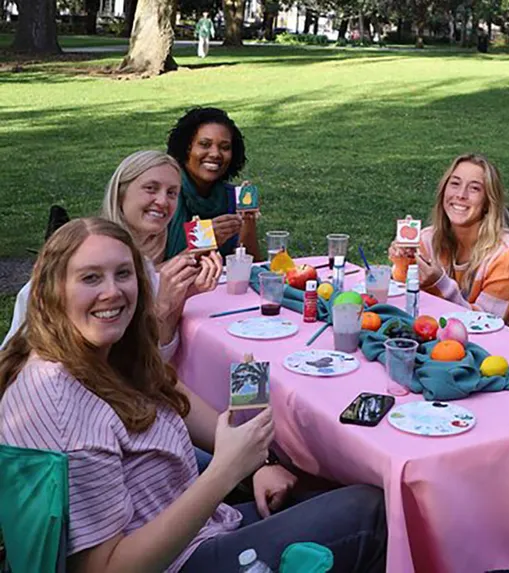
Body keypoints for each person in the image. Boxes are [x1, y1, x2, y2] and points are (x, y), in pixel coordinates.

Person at [0, 218, 387, 572]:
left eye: (123, 274)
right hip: (178, 561)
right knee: (374, 512)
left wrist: (257, 462)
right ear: (52, 289)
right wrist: (224, 473)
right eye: (90, 278)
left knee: (322, 484)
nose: (112, 292)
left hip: (205, 527)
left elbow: (176, 401)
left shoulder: (107, 355)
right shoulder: (60, 401)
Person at [2, 151, 223, 360]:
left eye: (172, 193)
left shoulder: (143, 266)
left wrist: (178, 300)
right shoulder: (80, 260)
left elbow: (158, 357)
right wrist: (162, 307)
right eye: (150, 188)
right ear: (120, 192)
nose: (163, 201)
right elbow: (107, 366)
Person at [389, 153, 509, 333]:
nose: (460, 195)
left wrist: (439, 283)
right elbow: (403, 303)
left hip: (507, 349)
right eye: (455, 184)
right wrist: (403, 263)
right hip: (437, 338)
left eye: (474, 188)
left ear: (488, 202)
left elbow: (484, 325)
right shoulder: (426, 239)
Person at [165, 107, 262, 261]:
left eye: (225, 147)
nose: (215, 154)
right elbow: (149, 272)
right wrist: (206, 239)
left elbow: (252, 264)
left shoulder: (231, 197)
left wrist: (248, 220)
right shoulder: (166, 196)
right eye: (204, 144)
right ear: (186, 148)